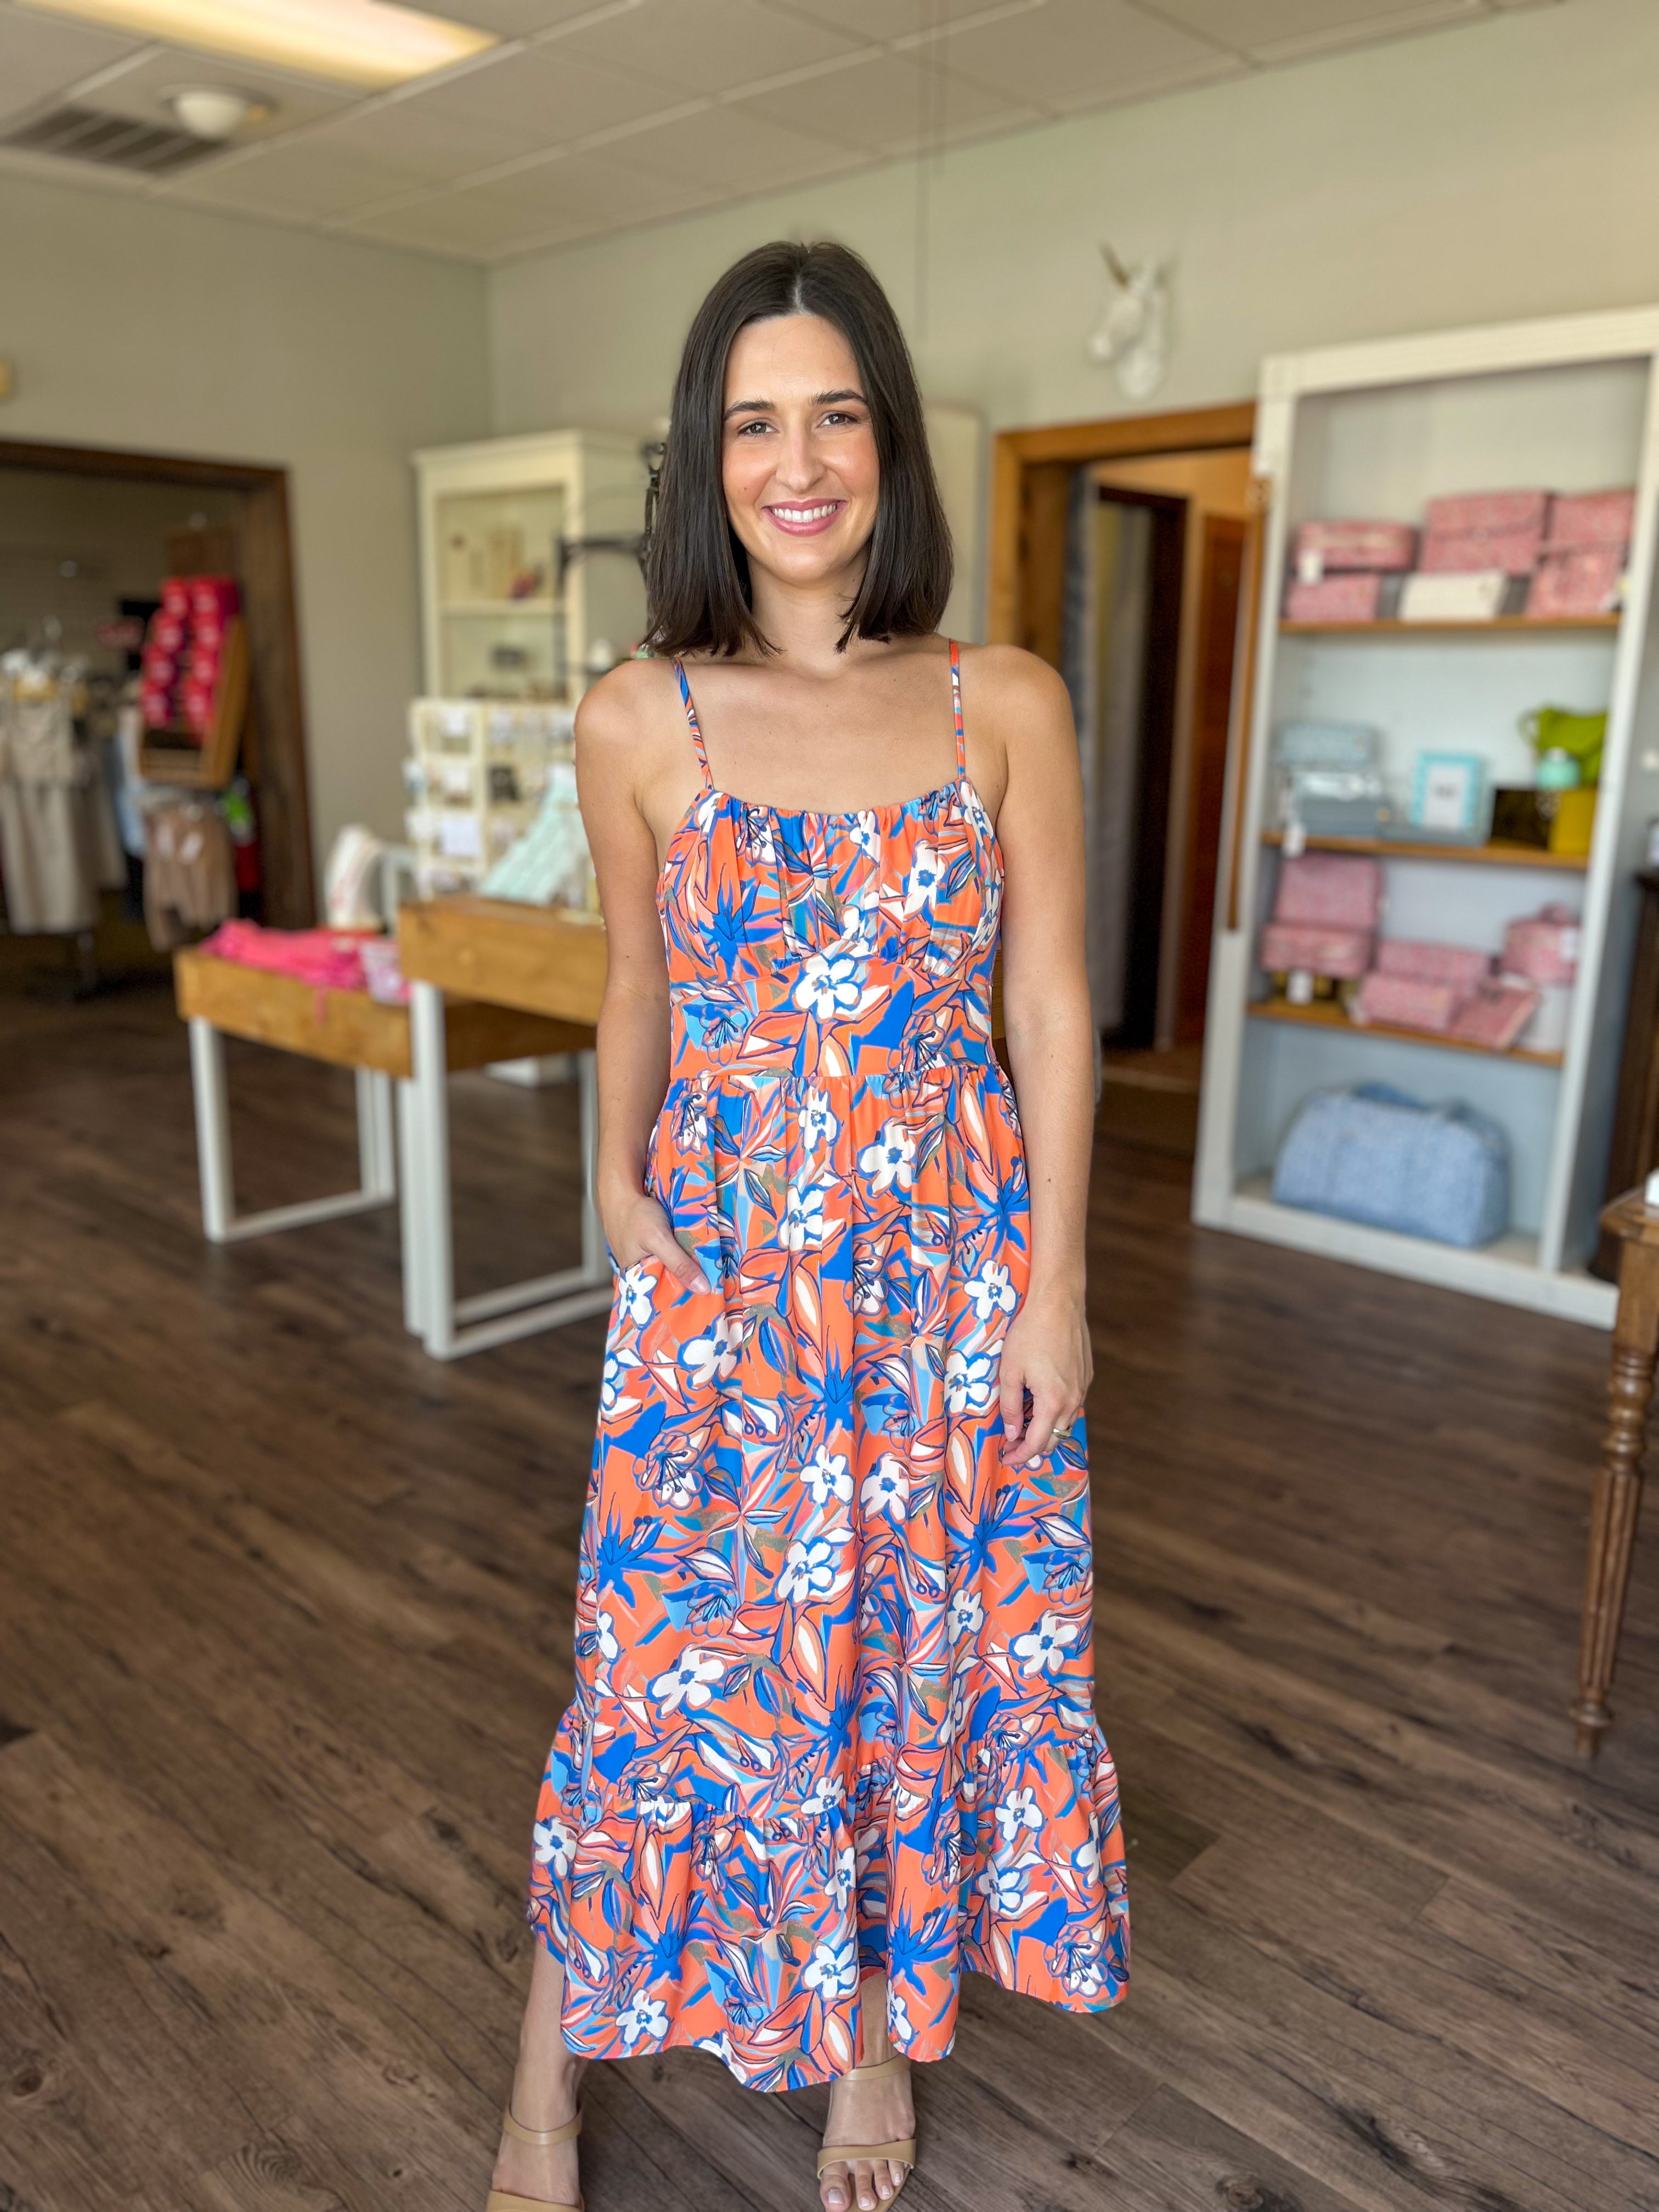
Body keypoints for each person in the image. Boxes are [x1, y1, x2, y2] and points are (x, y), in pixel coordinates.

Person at [487, 239, 1129, 2212]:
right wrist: (613, 1180)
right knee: (659, 1669)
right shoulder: (637, 716)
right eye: (753, 419)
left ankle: (869, 2051)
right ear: (706, 458)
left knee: (901, 1665)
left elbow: (1048, 1005)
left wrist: (1063, 1289)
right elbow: (634, 986)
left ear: (888, 443)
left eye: (835, 411)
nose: (798, 457)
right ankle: (540, 2088)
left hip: (948, 1275)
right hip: (730, 1274)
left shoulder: (997, 696)